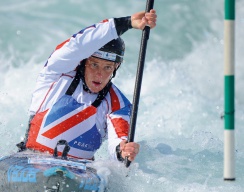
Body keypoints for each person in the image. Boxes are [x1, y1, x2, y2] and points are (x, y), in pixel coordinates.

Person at [17, 9, 157, 164]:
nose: (99, 75)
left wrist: (122, 150)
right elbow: (77, 44)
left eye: (107, 68)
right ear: (84, 61)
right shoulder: (56, 74)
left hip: (79, 173)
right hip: (30, 159)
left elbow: (118, 138)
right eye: (94, 64)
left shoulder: (118, 104)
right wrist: (126, 23)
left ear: (116, 67)